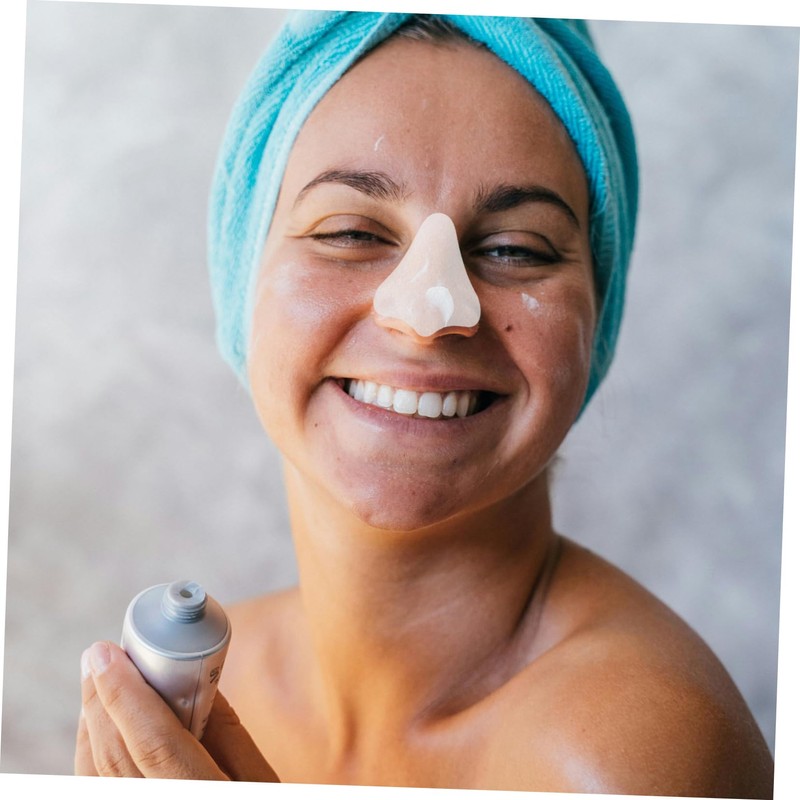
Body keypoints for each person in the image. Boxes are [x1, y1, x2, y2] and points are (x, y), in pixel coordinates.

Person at [74, 12, 775, 797]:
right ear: (241, 277)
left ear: (597, 318)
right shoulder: (192, 697)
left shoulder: (635, 758)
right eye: (351, 232)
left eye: (514, 248)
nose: (429, 310)